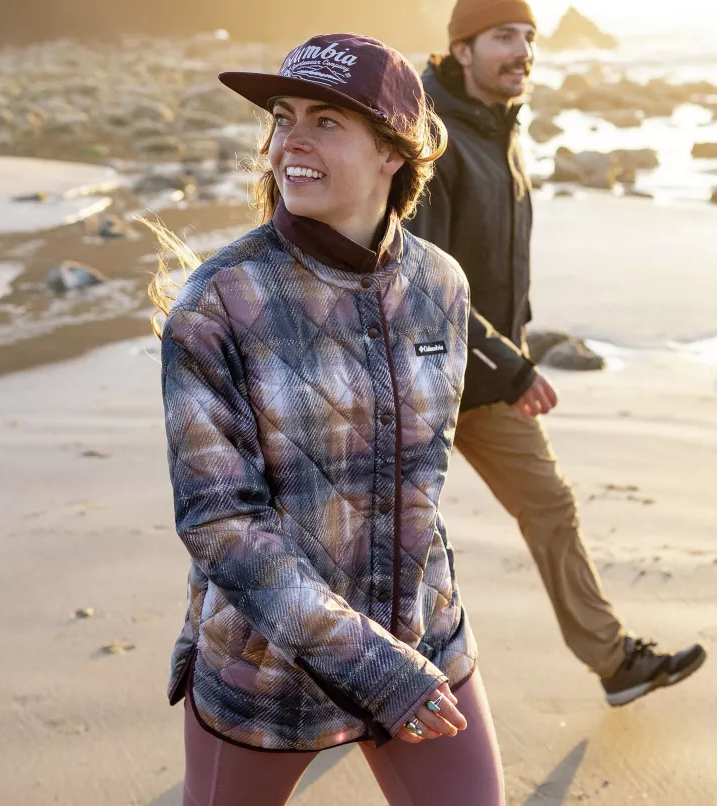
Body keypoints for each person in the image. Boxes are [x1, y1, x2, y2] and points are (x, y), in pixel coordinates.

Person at [150, 33, 505, 805]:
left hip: (422, 646)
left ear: (393, 152)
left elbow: (422, 482)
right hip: (268, 669)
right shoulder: (217, 305)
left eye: (327, 121)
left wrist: (419, 635)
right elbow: (221, 525)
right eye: (283, 118)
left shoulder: (440, 285)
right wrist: (374, 667)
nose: (291, 142)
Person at [406, 0, 707, 708]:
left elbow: (494, 257)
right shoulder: (432, 140)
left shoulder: (500, 127)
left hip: (484, 377)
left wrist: (515, 342)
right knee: (390, 538)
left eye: (529, 37)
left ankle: (615, 662)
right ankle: (350, 675)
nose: (523, 51)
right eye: (503, 36)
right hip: (414, 379)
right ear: (462, 49)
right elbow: (422, 278)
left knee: (551, 506)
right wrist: (509, 364)